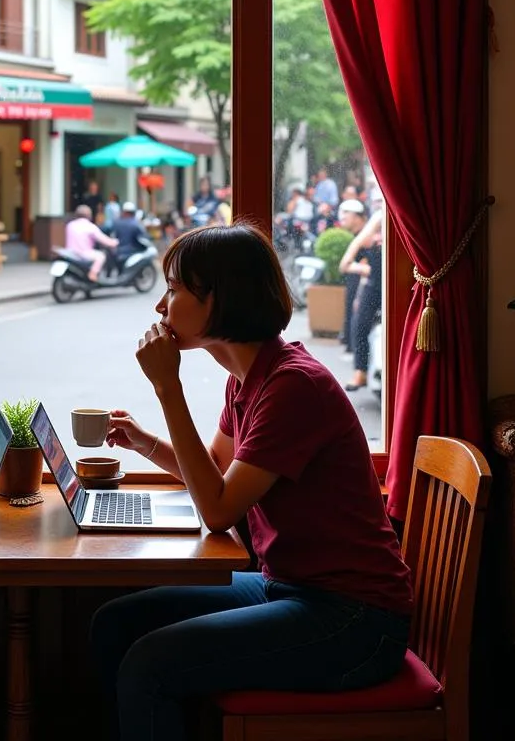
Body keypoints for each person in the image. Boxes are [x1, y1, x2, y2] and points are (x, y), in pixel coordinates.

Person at [90, 221, 412, 740]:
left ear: (220, 298)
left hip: (354, 620)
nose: (160, 307)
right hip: (288, 588)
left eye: (173, 290)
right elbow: (217, 476)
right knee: (115, 623)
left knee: (149, 665)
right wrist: (145, 442)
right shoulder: (249, 379)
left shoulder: (293, 386)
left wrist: (167, 386)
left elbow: (218, 510)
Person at [340, 208, 384, 392]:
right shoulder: (379, 217)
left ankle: (363, 371)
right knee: (359, 323)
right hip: (375, 283)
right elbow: (345, 263)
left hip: (390, 280)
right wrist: (365, 271)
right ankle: (361, 371)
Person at [336, 199, 369, 353]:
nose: (342, 216)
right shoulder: (358, 235)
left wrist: (356, 267)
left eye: (346, 213)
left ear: (358, 216)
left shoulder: (367, 236)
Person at [65, 203, 118, 282]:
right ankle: (93, 274)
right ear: (89, 215)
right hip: (84, 253)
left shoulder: (70, 225)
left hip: (71, 252)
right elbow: (104, 239)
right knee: (101, 256)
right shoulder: (90, 227)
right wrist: (114, 242)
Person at [107, 201, 148, 275]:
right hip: (131, 251)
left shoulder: (116, 222)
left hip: (117, 251)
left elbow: (109, 232)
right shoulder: (135, 223)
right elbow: (143, 237)